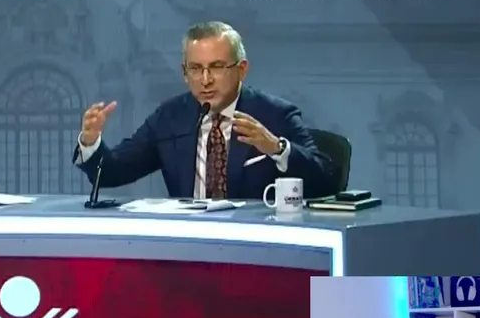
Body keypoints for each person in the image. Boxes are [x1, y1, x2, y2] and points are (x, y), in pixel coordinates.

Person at [73, 21, 334, 199]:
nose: (205, 80)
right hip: (191, 247)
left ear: (242, 69)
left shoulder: (274, 114)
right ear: (184, 73)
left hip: (256, 245)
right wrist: (90, 142)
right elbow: (112, 173)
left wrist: (276, 148)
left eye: (217, 67)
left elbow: (326, 180)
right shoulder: (171, 118)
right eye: (196, 69)